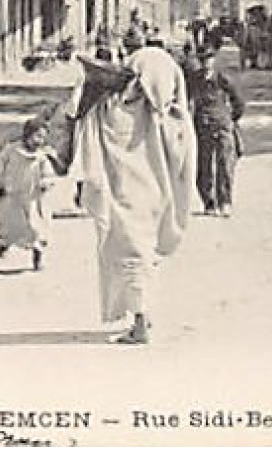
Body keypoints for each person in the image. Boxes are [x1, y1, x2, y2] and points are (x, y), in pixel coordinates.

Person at [75, 30, 196, 345]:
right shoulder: (165, 120)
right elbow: (180, 148)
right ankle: (144, 315)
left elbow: (83, 137)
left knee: (131, 252)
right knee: (140, 252)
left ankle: (140, 323)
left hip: (123, 196)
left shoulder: (111, 109)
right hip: (151, 192)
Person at [0, 116, 59, 271]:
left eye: (42, 137)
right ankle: (5, 244)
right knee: (10, 224)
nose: (39, 141)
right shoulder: (11, 151)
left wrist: (45, 183)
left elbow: (48, 173)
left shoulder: (42, 156)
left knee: (36, 227)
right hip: (12, 196)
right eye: (36, 136)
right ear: (27, 135)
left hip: (33, 198)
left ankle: (37, 255)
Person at [191, 45, 245, 217]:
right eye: (202, 60)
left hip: (222, 124)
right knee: (203, 165)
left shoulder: (222, 78)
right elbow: (186, 98)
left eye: (209, 59)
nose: (206, 63)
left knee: (225, 164)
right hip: (202, 125)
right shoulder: (195, 79)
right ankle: (208, 201)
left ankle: (225, 201)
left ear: (214, 61)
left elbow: (238, 101)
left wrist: (231, 118)